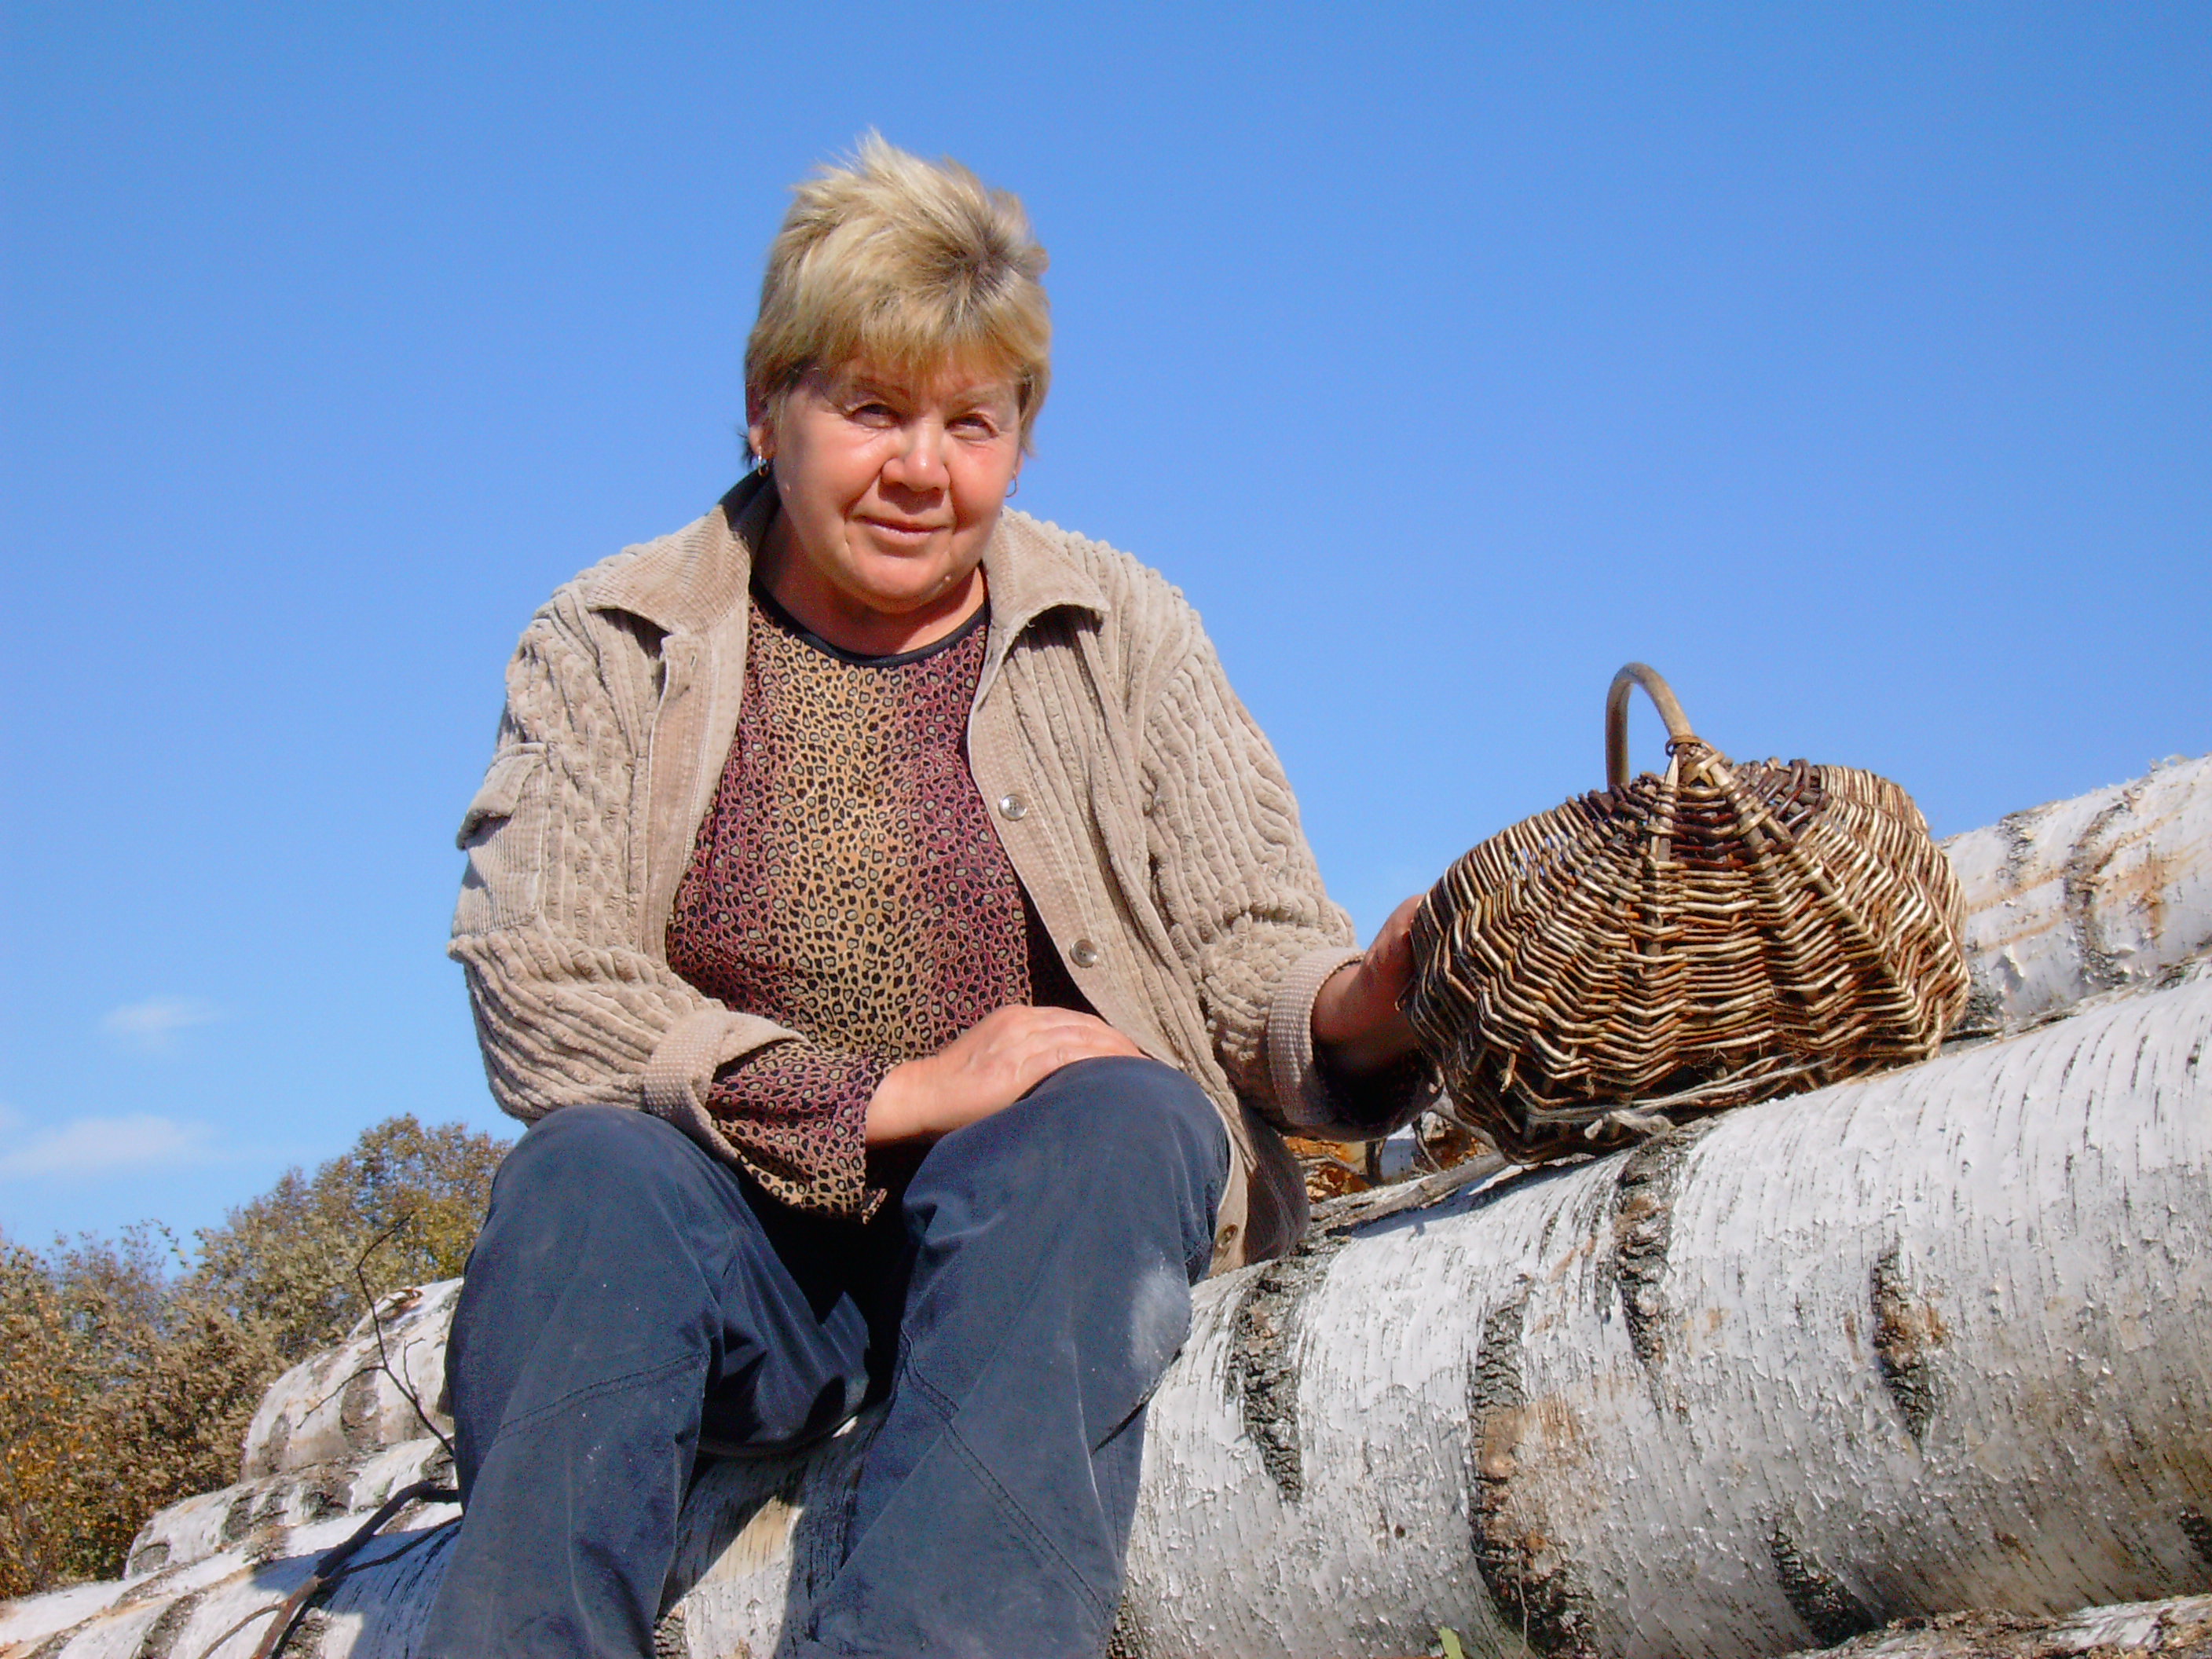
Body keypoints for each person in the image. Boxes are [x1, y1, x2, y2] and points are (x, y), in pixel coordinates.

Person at [424, 135, 1434, 1659]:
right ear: (765, 407)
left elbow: (1251, 956)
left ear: (1023, 440)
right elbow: (539, 986)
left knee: (1127, 1109)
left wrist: (1369, 1001)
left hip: (1045, 1237)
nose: (921, 469)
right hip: (741, 1248)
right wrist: (892, 1095)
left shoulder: (1120, 626)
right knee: (583, 1182)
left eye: (973, 421)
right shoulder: (611, 639)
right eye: (871, 409)